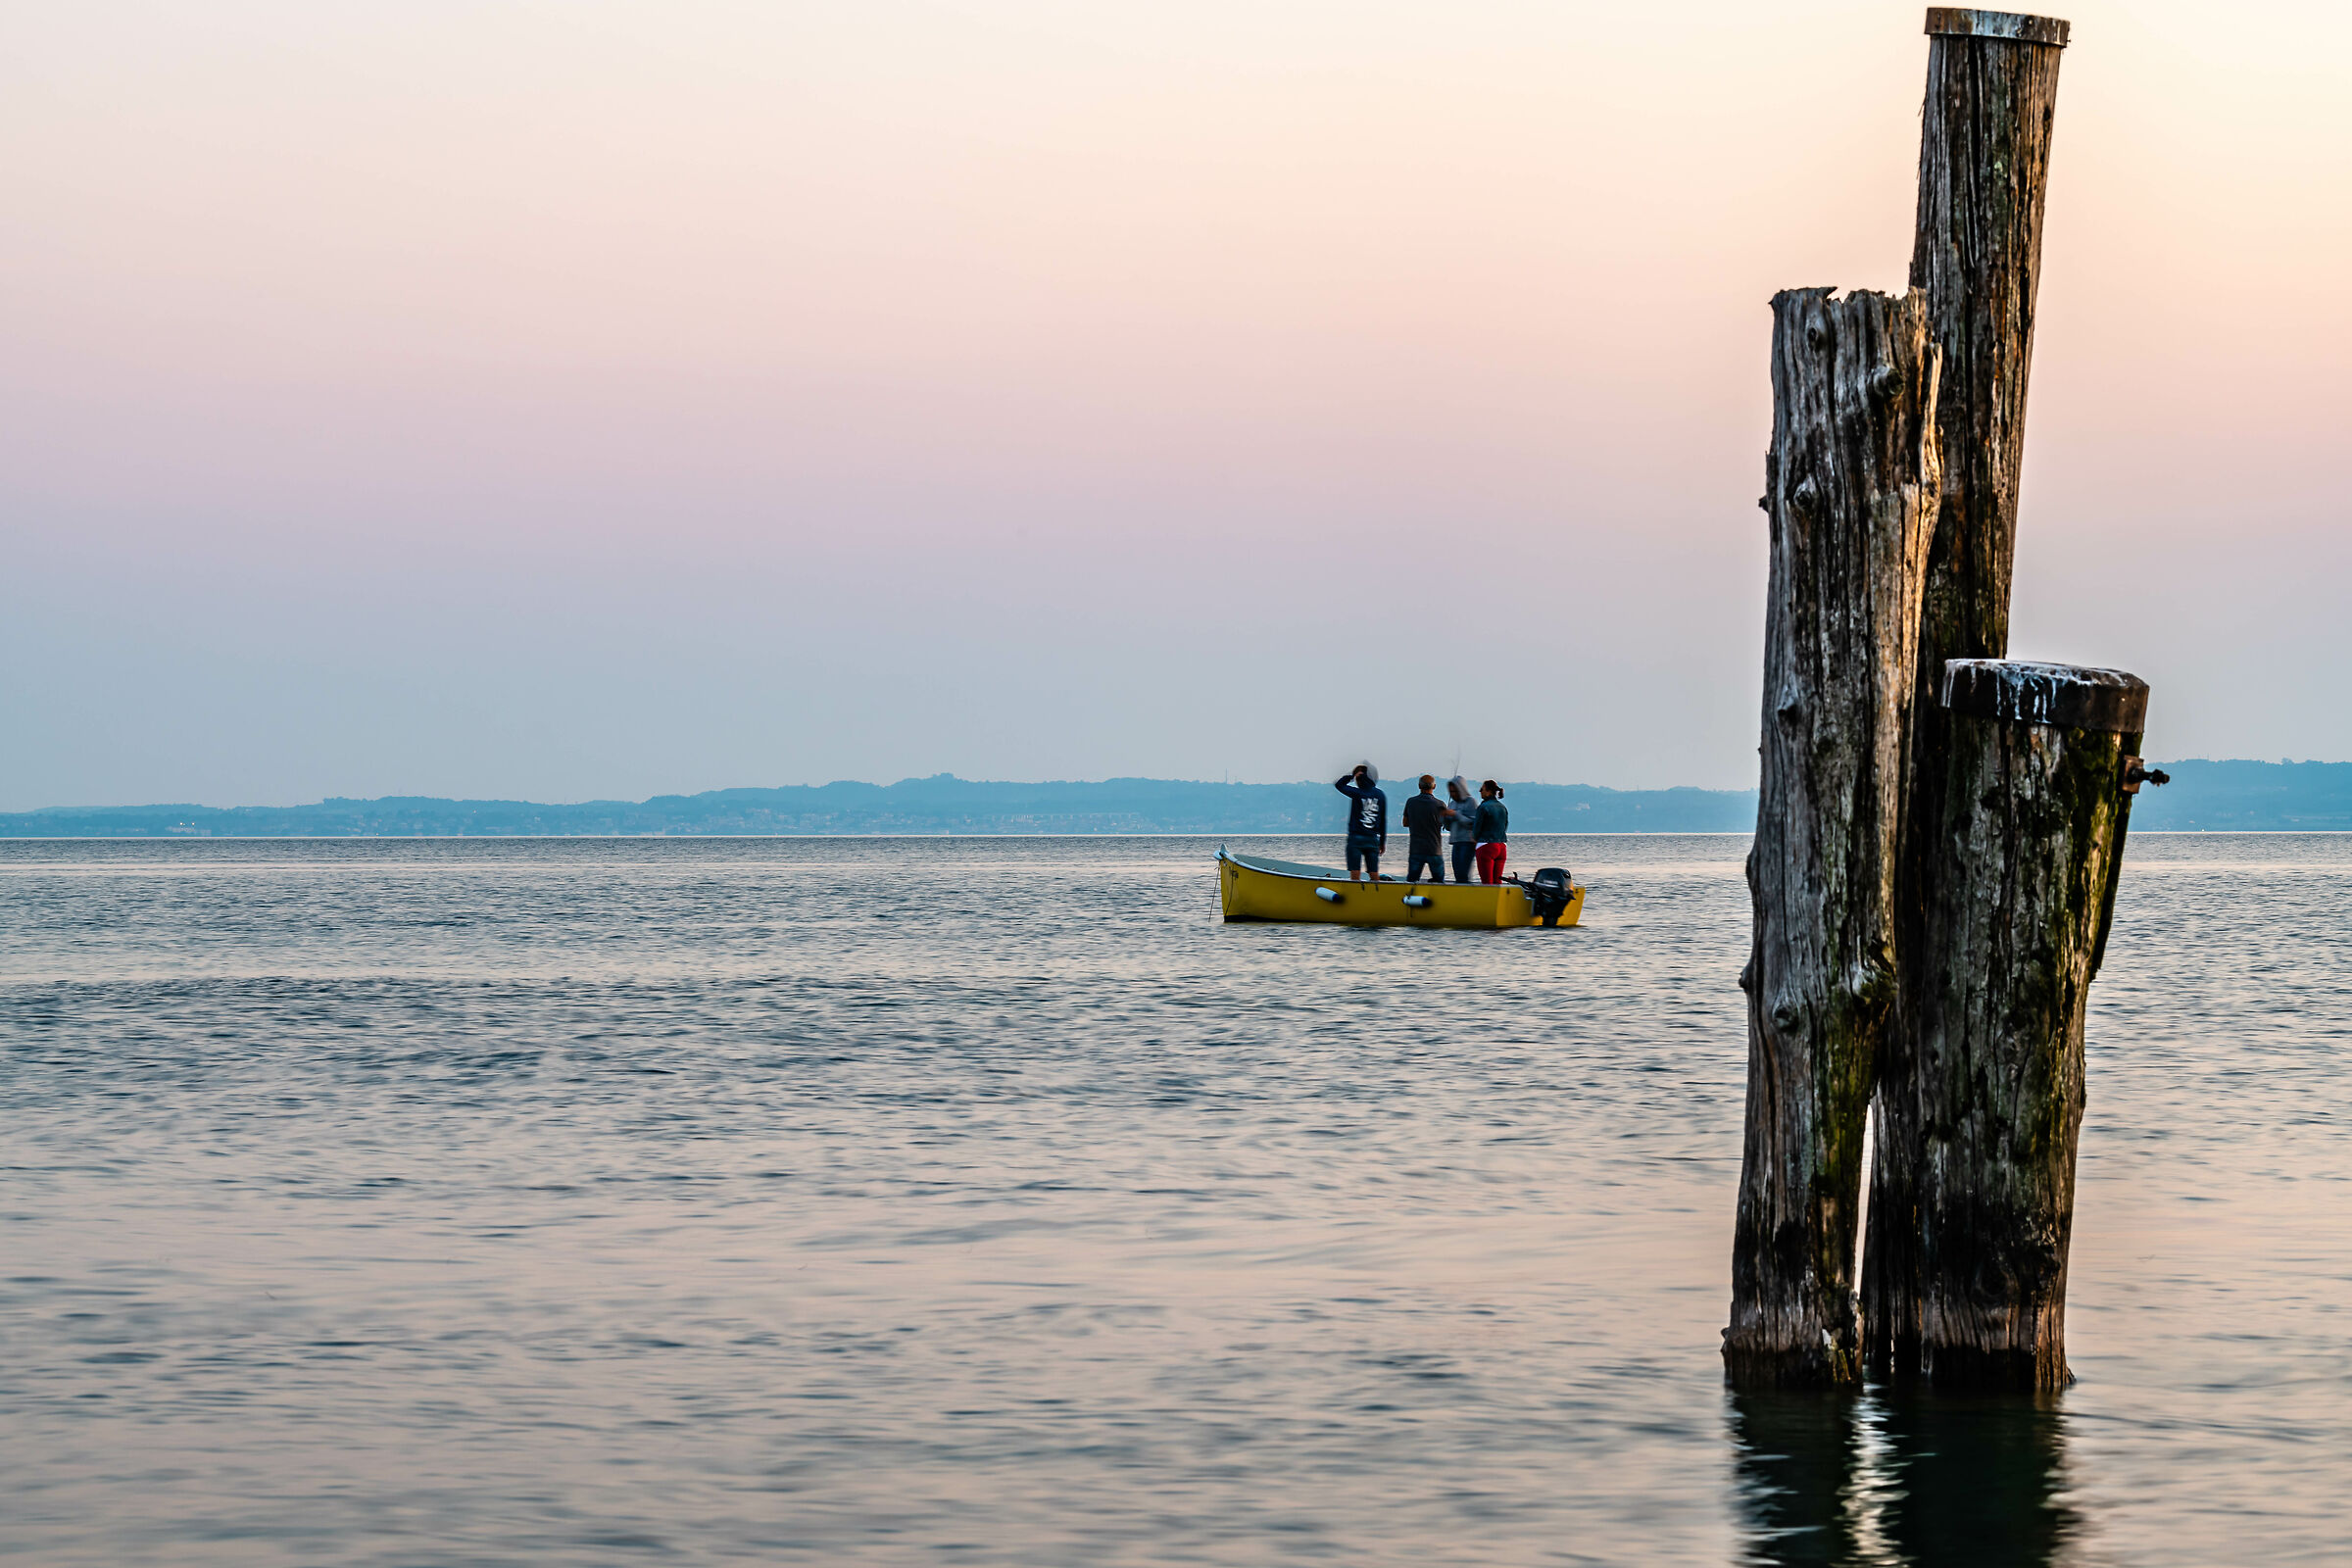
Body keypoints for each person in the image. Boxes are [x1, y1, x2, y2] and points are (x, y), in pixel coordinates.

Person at [1333, 762, 1387, 883]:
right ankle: (1376, 893)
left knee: (1355, 871)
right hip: (1373, 838)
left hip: (1356, 838)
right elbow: (1383, 820)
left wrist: (1351, 776)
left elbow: (1339, 785)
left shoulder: (1357, 793)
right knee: (1374, 872)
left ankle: (1355, 893)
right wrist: (1382, 842)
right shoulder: (1380, 795)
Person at [1400, 774, 1447, 884]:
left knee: (1412, 882)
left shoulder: (1411, 802)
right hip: (1435, 849)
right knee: (1440, 882)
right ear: (1434, 786)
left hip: (1416, 849)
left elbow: (1405, 823)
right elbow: (1445, 824)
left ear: (1419, 786)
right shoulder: (1440, 804)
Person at [1473, 779, 1509, 885]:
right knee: (1498, 882)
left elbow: (1476, 829)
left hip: (1486, 846)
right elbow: (1505, 825)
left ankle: (1487, 901)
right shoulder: (1503, 807)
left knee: (1487, 883)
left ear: (1488, 791)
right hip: (1502, 846)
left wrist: (1475, 840)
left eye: (1482, 789)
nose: (1480, 791)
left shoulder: (1483, 807)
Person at [1445, 775, 1479, 885]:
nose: (1452, 794)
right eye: (1450, 792)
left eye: (1455, 791)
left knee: (1464, 873)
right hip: (1455, 842)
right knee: (1457, 873)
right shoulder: (1452, 803)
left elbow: (1473, 823)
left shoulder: (1471, 802)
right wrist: (1445, 817)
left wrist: (1456, 814)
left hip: (1467, 842)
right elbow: (1449, 827)